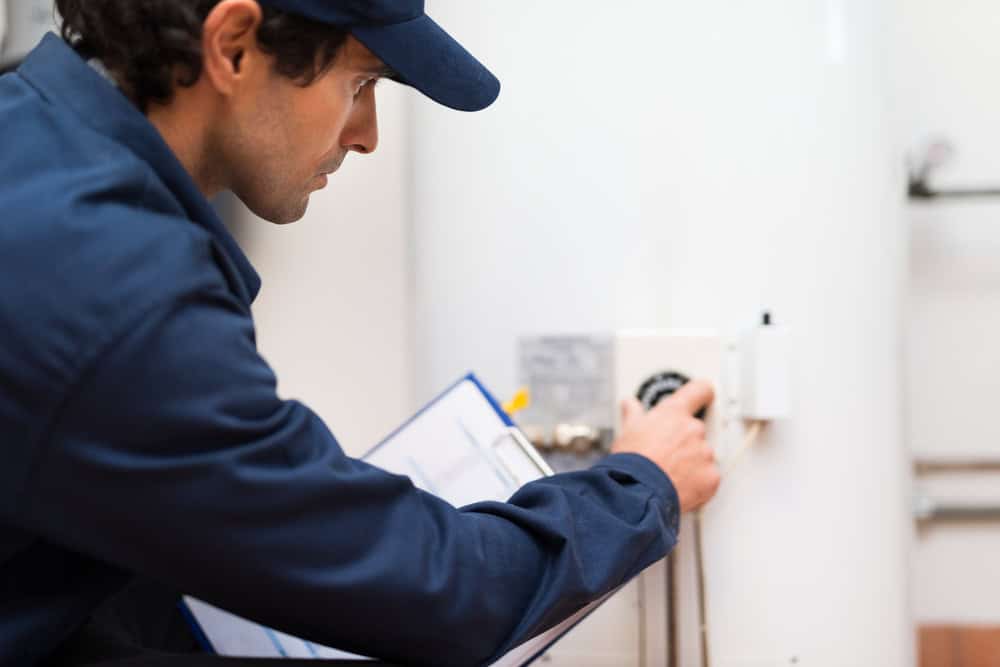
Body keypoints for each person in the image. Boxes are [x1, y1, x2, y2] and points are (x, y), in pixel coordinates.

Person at [0, 1, 721, 665]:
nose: (368, 134)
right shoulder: (119, 286)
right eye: (360, 83)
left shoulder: (29, 145)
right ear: (234, 46)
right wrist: (640, 485)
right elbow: (438, 590)